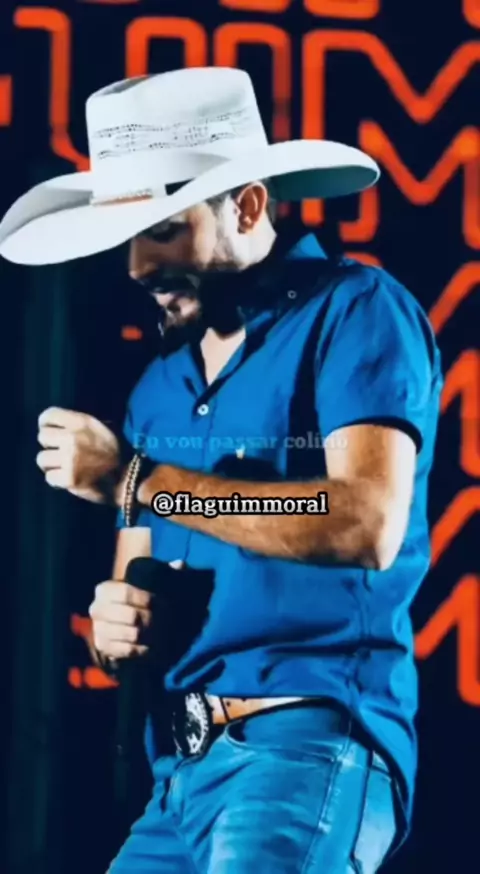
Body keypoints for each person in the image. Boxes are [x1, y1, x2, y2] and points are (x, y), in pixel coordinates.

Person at [0, 67, 443, 874]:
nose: (137, 266)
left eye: (163, 230)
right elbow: (133, 591)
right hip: (178, 777)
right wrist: (115, 632)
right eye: (127, 237)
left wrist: (135, 480)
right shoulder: (158, 388)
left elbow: (365, 521)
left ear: (245, 206)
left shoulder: (354, 310)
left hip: (304, 747)